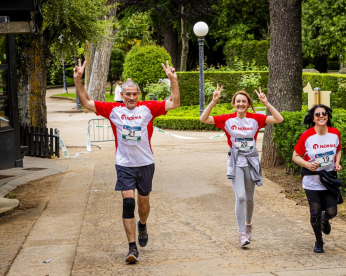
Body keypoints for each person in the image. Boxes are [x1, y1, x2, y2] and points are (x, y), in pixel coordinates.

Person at [73, 60, 180, 263]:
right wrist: (78, 80)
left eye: (134, 94)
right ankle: (132, 248)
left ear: (138, 95)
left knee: (144, 205)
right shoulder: (113, 110)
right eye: (127, 94)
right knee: (128, 203)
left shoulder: (148, 109)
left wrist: (173, 80)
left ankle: (142, 225)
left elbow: (175, 103)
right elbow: (87, 102)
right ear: (121, 95)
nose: (131, 97)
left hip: (146, 164)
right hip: (124, 165)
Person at [199, 85, 284, 247]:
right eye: (238, 101)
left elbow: (279, 119)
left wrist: (266, 103)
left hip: (251, 162)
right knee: (241, 197)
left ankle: (248, 224)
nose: (241, 104)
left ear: (248, 104)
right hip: (236, 162)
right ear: (234, 103)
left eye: (244, 101)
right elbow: (203, 119)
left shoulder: (255, 118)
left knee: (250, 199)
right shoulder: (227, 119)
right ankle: (241, 233)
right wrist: (213, 101)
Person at [292, 104, 343, 253]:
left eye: (324, 113)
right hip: (312, 180)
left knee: (331, 212)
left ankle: (324, 219)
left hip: (329, 179)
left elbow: (338, 150)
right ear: (313, 118)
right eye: (318, 114)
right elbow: (295, 156)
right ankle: (319, 241)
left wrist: (337, 163)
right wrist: (308, 165)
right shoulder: (307, 135)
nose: (321, 116)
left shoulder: (335, 133)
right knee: (314, 211)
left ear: (327, 116)